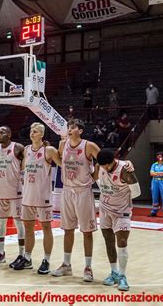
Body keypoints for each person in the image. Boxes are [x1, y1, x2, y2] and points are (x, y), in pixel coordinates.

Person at [52, 119, 100, 282]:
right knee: (68, 229)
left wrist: (95, 176)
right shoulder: (62, 144)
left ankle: (88, 267)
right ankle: (66, 265)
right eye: (68, 127)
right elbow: (59, 159)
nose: (69, 130)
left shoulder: (89, 146)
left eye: (73, 127)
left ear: (80, 130)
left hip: (83, 191)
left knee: (86, 231)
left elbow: (104, 159)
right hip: (67, 191)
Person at [14, 123, 61, 274]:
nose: (31, 133)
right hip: (27, 196)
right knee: (28, 228)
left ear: (41, 134)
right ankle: (27, 258)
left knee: (46, 228)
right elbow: (23, 169)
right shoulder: (27, 150)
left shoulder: (49, 150)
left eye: (35, 132)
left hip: (43, 197)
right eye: (31, 131)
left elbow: (64, 164)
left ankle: (46, 259)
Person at [95, 149, 141, 291]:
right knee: (108, 241)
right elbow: (98, 181)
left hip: (122, 211)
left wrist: (121, 198)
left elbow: (137, 192)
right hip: (105, 210)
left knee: (121, 242)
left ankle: (122, 275)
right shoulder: (100, 166)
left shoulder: (125, 170)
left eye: (106, 166)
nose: (103, 168)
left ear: (113, 161)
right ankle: (114, 272)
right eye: (101, 166)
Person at [0, 126, 25, 266]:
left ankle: (22, 254)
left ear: (9, 135)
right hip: (1, 191)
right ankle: (1, 253)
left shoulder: (18, 147)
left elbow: (27, 161)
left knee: (18, 223)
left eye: (2, 132)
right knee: (1, 223)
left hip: (16, 191)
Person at [148, 152, 163, 218]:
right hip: (155, 182)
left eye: (161, 156)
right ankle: (154, 212)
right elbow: (151, 173)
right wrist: (160, 173)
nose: (159, 157)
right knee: (154, 196)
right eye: (158, 156)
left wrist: (156, 173)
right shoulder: (154, 165)